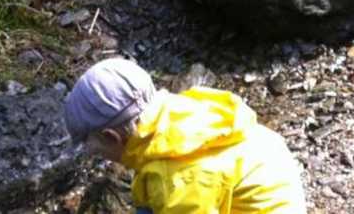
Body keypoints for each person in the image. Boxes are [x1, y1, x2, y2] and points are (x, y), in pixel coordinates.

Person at [64, 58, 306, 213]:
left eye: (97, 150)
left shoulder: (178, 177)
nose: (102, 157)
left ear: (111, 137)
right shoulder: (180, 116)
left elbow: (183, 188)